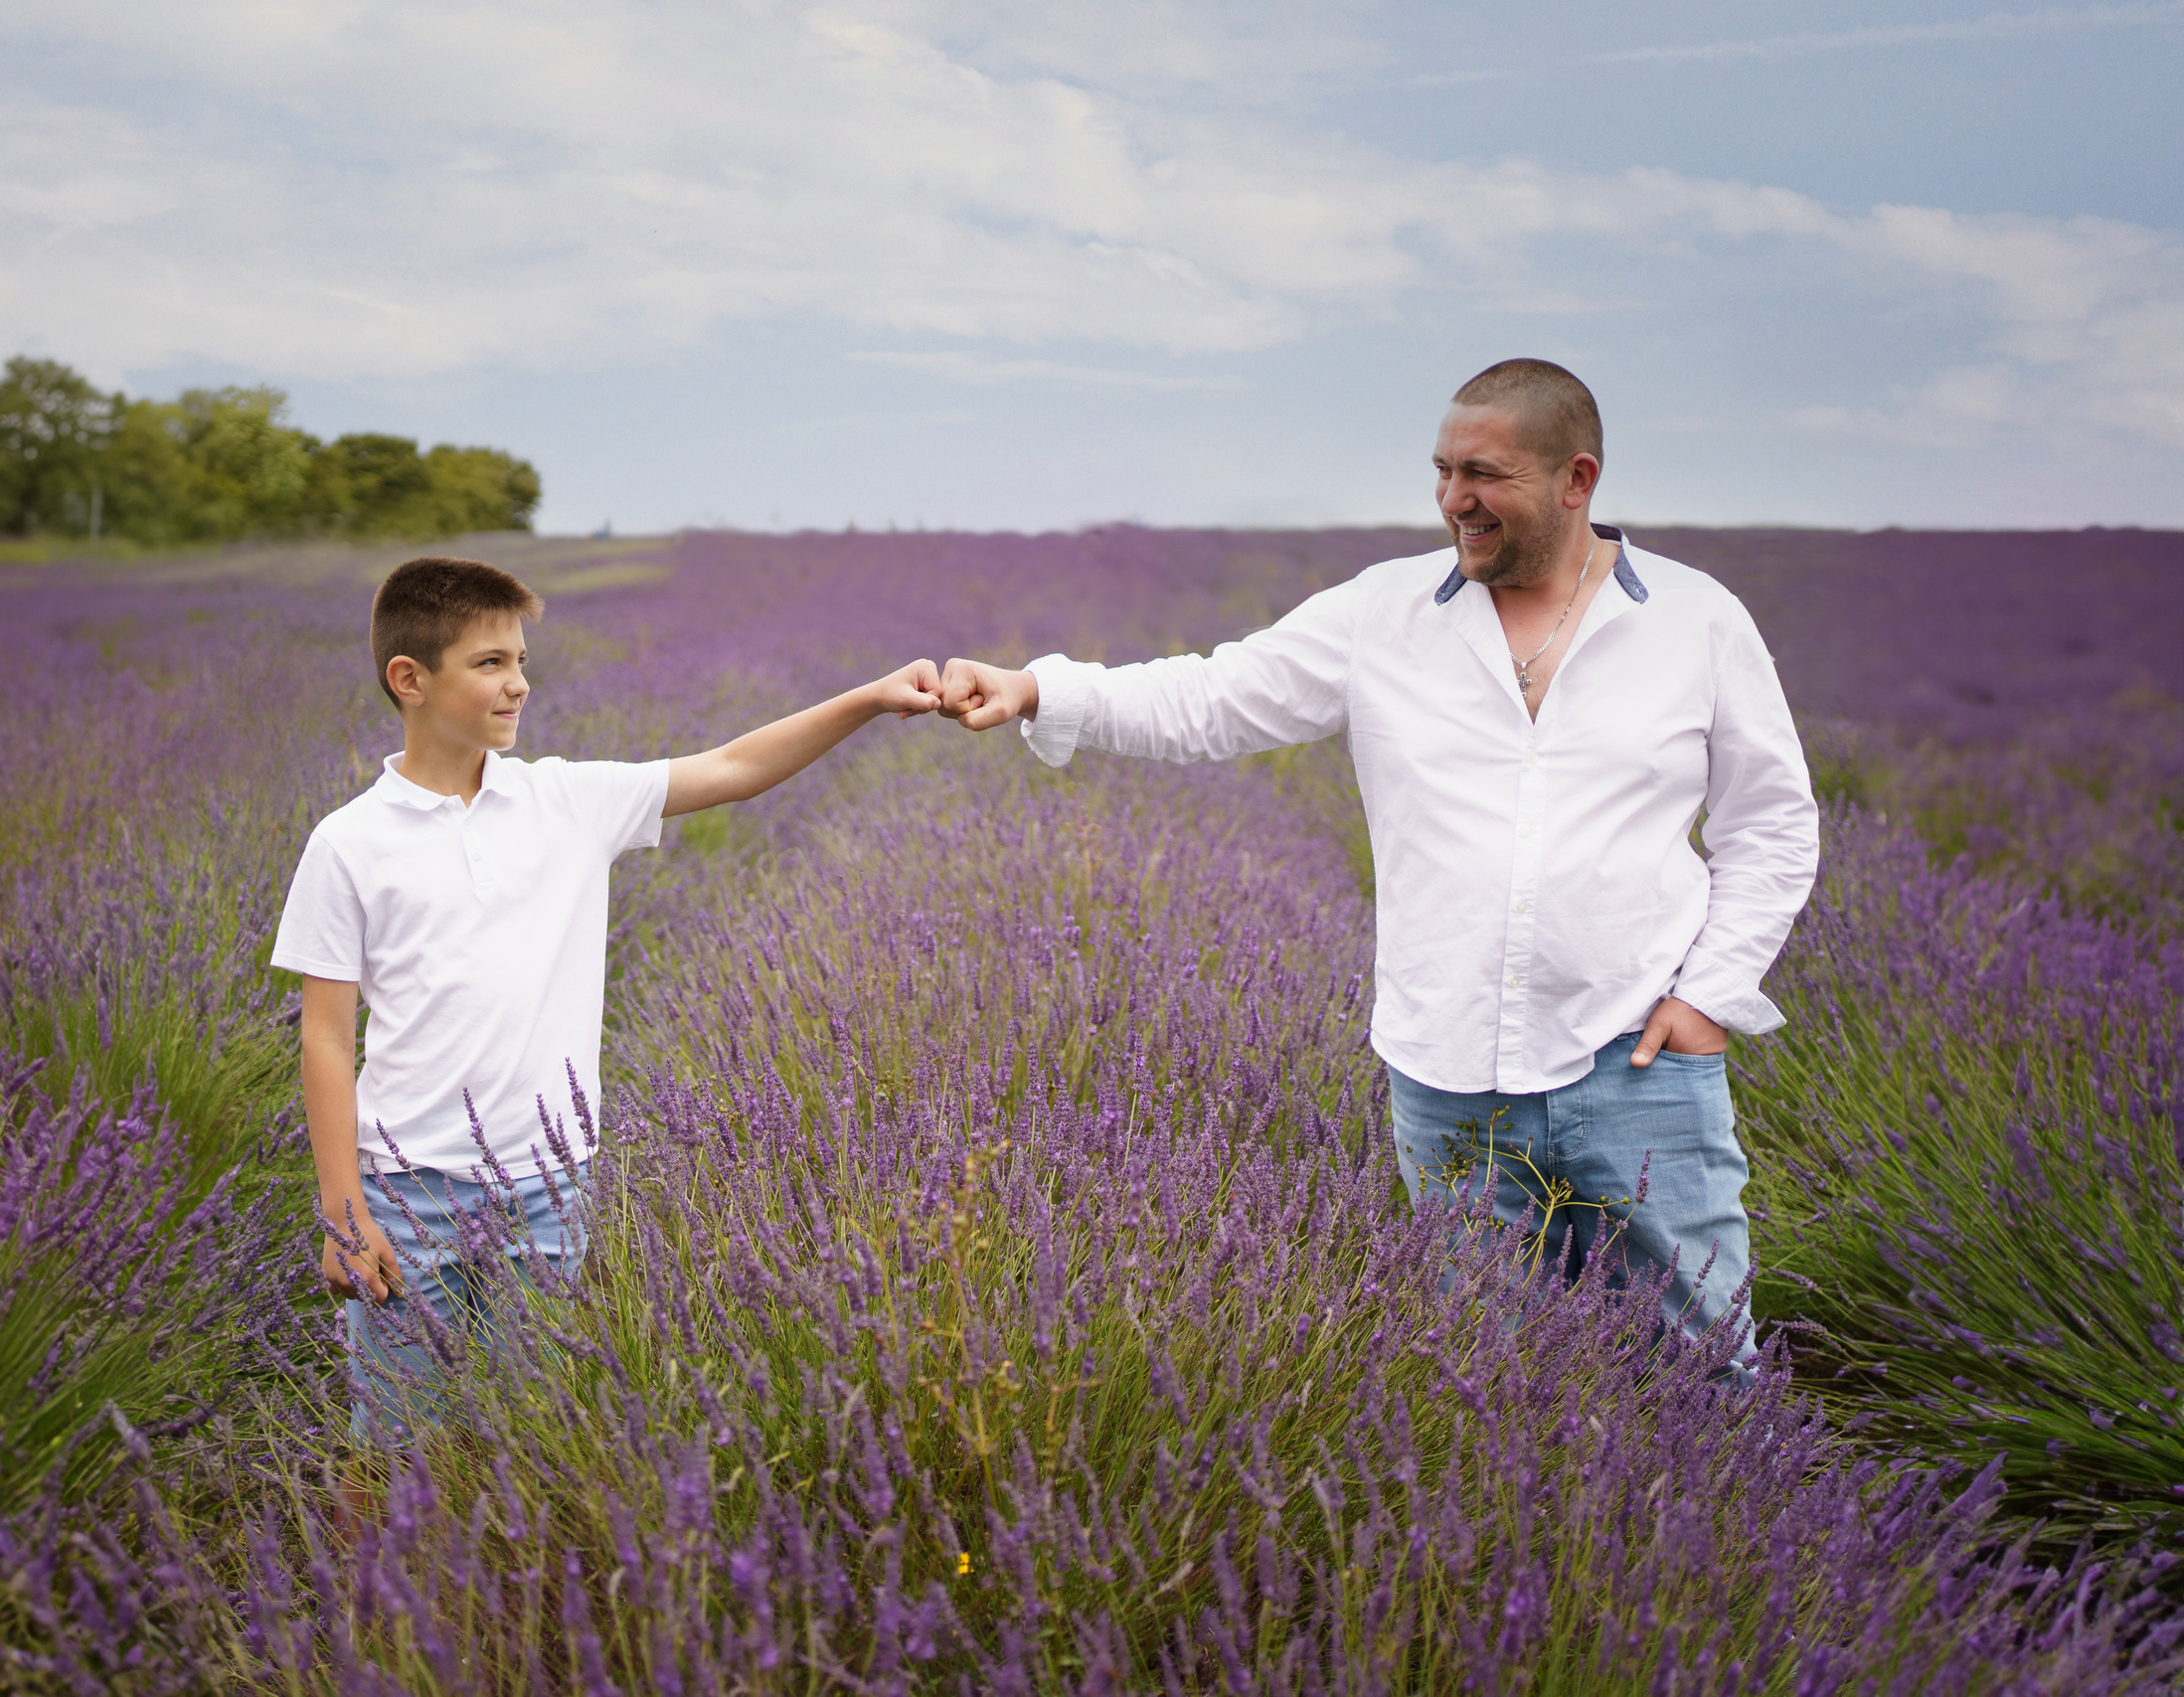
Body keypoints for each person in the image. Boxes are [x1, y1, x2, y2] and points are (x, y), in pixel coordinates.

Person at [936, 359, 1818, 1367]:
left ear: (1576, 481)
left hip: (1637, 1062)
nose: (1453, 501)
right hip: (1448, 1081)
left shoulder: (1696, 622)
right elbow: (1213, 700)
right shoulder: (1381, 614)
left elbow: (1771, 823)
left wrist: (1710, 994)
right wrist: (1037, 690)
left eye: (1483, 475)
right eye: (1441, 472)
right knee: (1490, 1384)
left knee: (1705, 1364)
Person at [270, 556, 942, 1441]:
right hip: (408, 1189)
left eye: (520, 661)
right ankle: (368, 1584)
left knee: (531, 1439)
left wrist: (868, 698)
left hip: (549, 1186)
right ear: (411, 679)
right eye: (489, 664)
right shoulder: (349, 842)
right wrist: (345, 1212)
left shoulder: (569, 801)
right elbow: (325, 1039)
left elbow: (736, 766)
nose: (518, 684)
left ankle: (502, 1585)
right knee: (394, 1441)